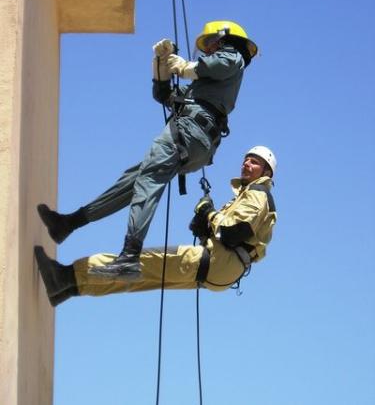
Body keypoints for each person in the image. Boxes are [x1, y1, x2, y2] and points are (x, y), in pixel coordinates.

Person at [37, 21, 258, 281]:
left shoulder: (233, 56)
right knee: (133, 180)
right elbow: (165, 96)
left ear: (224, 39)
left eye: (210, 43)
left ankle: (129, 257)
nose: (206, 49)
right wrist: (161, 67)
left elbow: (215, 65)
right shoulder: (205, 87)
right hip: (195, 138)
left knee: (148, 180)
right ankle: (68, 223)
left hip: (189, 132)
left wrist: (185, 67)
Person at [34, 146, 277, 307]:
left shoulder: (258, 193)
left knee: (134, 264)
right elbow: (233, 234)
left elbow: (233, 231)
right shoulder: (249, 196)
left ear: (266, 172)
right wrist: (206, 225)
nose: (246, 163)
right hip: (221, 272)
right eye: (246, 159)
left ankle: (65, 277)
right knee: (137, 278)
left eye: (254, 162)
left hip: (217, 261)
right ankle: (69, 287)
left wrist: (208, 214)